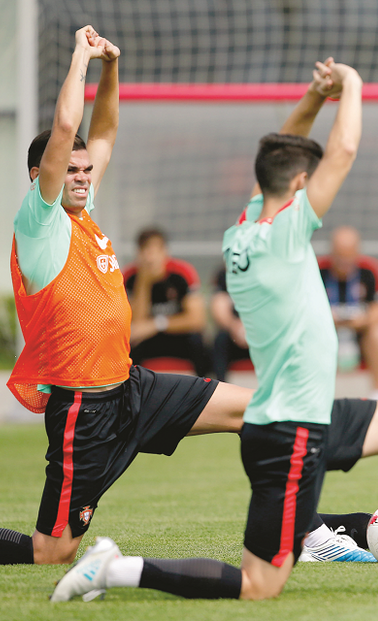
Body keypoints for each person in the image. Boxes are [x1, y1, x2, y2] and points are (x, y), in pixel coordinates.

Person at [51, 58, 378, 602]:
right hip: (290, 433)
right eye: (305, 181)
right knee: (259, 584)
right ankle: (116, 570)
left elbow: (279, 152)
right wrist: (353, 85)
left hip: (297, 416)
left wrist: (316, 97)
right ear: (297, 185)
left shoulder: (241, 232)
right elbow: (343, 152)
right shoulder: (286, 234)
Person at [0, 26, 253, 568]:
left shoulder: (82, 209)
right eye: (70, 168)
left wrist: (112, 67)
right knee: (52, 552)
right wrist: (80, 57)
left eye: (87, 169)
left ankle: (315, 527)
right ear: (39, 175)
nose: (84, 176)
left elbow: (102, 130)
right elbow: (68, 126)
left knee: (257, 408)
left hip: (134, 386)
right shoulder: (38, 220)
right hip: (84, 408)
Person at [123, 227, 213, 376]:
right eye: (145, 251)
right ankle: (130, 395)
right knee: (128, 348)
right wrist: (144, 283)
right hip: (147, 340)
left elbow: (197, 320)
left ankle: (206, 391)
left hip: (177, 335)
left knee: (200, 345)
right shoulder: (130, 276)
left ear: (165, 251)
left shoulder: (182, 273)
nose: (150, 257)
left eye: (155, 250)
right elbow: (136, 325)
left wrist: (157, 324)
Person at [318, 225, 378, 401]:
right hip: (327, 331)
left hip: (361, 332)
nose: (344, 263)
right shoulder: (317, 269)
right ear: (331, 252)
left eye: (348, 256)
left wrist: (361, 321)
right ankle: (315, 396)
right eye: (340, 257)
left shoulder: (370, 269)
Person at [209, 266, 251, 381]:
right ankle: (220, 387)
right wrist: (235, 327)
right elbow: (219, 303)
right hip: (233, 333)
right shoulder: (225, 275)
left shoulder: (268, 272)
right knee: (220, 340)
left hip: (260, 330)